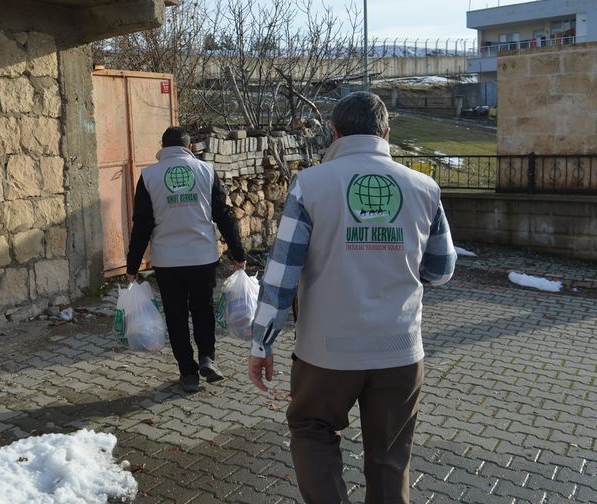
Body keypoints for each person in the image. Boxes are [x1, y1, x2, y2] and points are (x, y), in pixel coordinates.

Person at [247, 92, 457, 503]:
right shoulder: (425, 187)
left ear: (334, 132)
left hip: (326, 353)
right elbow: (441, 270)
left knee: (312, 431)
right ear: (386, 131)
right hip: (399, 351)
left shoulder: (310, 184)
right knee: (390, 457)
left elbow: (282, 274)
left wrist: (262, 343)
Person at [126, 126, 246, 393]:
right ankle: (207, 358)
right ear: (189, 147)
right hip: (202, 257)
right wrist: (239, 254)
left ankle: (188, 374)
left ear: (162, 148)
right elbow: (224, 216)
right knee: (202, 309)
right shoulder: (206, 171)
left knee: (176, 316)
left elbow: (142, 225)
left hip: (168, 262)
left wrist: (132, 266)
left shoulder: (149, 176)